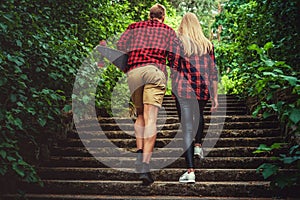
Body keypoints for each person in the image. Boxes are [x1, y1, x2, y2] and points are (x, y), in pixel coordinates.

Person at [116, 4, 180, 186]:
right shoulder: (168, 31)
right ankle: (144, 165)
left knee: (140, 114)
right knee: (151, 118)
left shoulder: (134, 27)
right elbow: (174, 58)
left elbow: (120, 45)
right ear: (163, 17)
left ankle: (138, 152)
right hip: (155, 71)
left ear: (149, 15)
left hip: (134, 72)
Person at [171, 12, 219, 183]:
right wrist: (215, 97)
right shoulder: (208, 45)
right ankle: (198, 146)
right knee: (199, 116)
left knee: (186, 127)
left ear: (183, 25)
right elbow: (213, 73)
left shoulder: (178, 43)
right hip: (202, 89)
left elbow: (174, 66)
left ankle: (190, 171)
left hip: (183, 90)